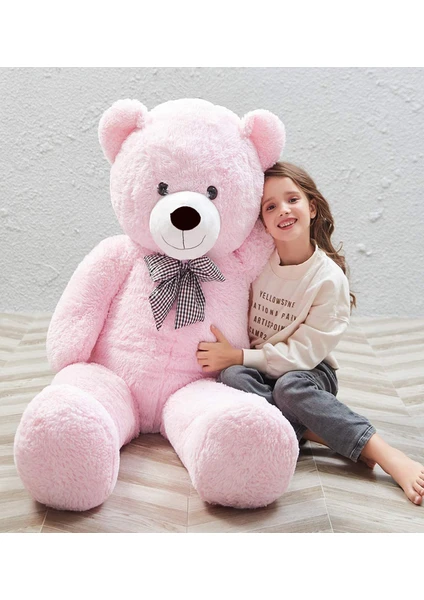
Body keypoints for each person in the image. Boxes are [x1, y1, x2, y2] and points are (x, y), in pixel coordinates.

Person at [196, 161, 424, 506]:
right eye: (270, 206)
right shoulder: (258, 263)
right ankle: (320, 431)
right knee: (231, 377)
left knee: (289, 387)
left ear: (312, 207)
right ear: (262, 222)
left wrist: (239, 355)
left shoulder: (328, 280)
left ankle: (384, 453)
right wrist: (235, 358)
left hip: (309, 372)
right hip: (260, 369)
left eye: (292, 200)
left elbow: (302, 354)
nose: (283, 210)